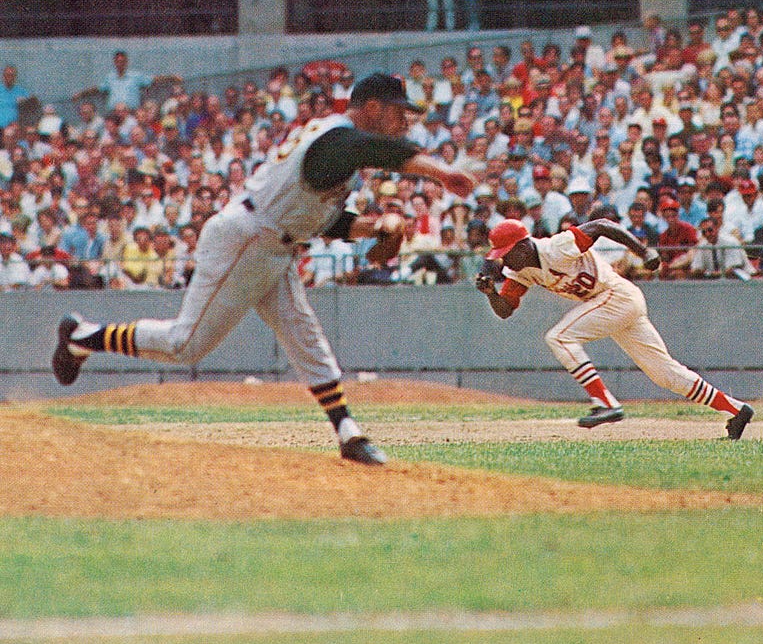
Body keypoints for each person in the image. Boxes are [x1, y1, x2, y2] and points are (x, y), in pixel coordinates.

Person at [51, 73, 473, 465]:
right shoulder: (339, 138)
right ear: (375, 107)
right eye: (401, 113)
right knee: (185, 345)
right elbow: (376, 150)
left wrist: (376, 226)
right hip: (248, 239)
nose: (406, 123)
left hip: (276, 242)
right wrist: (442, 172)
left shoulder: (334, 148)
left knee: (305, 336)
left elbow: (327, 221)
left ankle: (349, 433)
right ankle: (83, 336)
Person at [474, 216, 755, 438]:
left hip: (615, 295)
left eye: (508, 253)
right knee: (665, 374)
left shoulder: (555, 247)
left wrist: (643, 252)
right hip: (613, 302)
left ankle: (606, 404)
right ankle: (737, 409)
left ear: (524, 246)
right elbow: (505, 311)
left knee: (559, 337)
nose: (504, 259)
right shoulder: (520, 270)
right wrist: (490, 294)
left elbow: (603, 225)